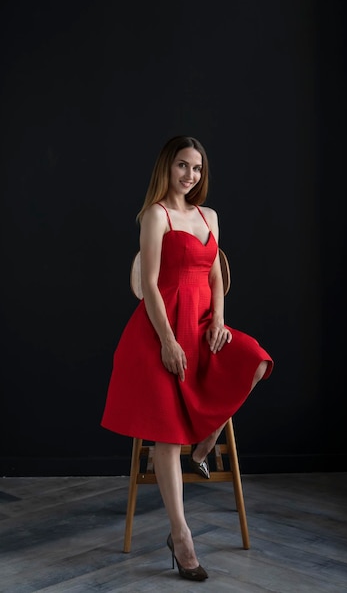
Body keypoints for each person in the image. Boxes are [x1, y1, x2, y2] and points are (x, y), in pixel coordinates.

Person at [101, 135, 273, 582]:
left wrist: (219, 319)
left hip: (201, 326)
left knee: (255, 359)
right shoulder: (154, 215)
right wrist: (167, 342)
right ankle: (182, 537)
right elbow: (152, 285)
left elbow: (216, 274)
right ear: (167, 167)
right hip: (160, 331)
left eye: (196, 168)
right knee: (166, 436)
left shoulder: (207, 215)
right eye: (182, 166)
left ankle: (208, 438)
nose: (190, 175)